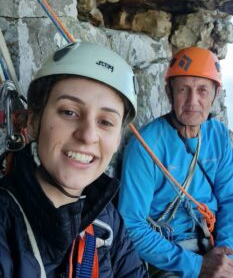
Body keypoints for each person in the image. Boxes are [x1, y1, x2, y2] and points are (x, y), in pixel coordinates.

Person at [118, 47, 233, 278]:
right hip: (171, 250)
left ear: (215, 93)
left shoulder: (217, 136)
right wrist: (197, 266)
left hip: (219, 241)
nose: (193, 101)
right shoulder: (146, 145)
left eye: (202, 90)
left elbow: (232, 201)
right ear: (169, 93)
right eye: (183, 89)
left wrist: (227, 260)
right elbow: (131, 224)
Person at [0, 41, 147, 277]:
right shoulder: (6, 223)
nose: (88, 135)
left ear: (118, 140)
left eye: (106, 122)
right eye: (69, 112)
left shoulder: (108, 221)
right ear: (34, 121)